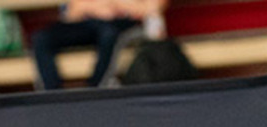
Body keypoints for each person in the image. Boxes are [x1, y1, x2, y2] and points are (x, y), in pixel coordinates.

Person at [32, 0, 168, 90]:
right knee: (41, 38)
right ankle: (52, 93)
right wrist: (100, 7)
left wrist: (117, 5)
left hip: (119, 23)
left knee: (109, 34)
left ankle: (97, 88)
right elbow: (71, 13)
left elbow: (151, 7)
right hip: (87, 22)